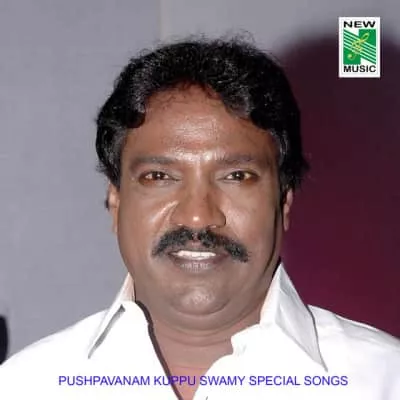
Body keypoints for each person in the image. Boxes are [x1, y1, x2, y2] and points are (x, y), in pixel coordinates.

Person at [0, 37, 399, 400]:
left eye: (236, 176)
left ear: (284, 203)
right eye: (159, 177)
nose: (197, 216)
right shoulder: (26, 386)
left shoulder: (383, 381)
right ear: (116, 202)